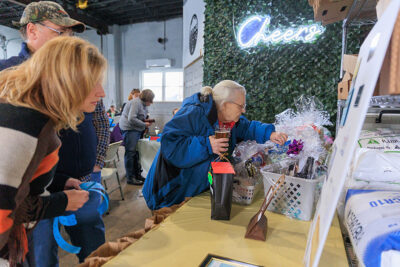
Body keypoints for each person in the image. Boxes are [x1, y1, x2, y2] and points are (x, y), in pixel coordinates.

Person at [0, 1, 110, 265]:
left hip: (51, 187)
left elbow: (20, 177)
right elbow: (6, 207)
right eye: (61, 34)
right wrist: (59, 201)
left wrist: (59, 182)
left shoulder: (38, 118)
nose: (102, 93)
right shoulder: (28, 121)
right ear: (67, 78)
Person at [142, 80, 288, 210]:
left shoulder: (229, 121)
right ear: (225, 105)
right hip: (168, 194)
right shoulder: (194, 113)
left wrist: (270, 134)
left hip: (193, 192)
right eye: (241, 106)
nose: (243, 110)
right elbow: (171, 144)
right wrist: (207, 145)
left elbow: (248, 127)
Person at [119, 89, 155, 185]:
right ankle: (130, 178)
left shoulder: (142, 104)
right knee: (130, 153)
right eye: (150, 100)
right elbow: (131, 118)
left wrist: (146, 121)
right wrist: (144, 125)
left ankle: (137, 175)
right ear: (146, 99)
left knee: (136, 153)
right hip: (129, 129)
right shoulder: (136, 103)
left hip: (135, 128)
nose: (151, 103)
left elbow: (139, 117)